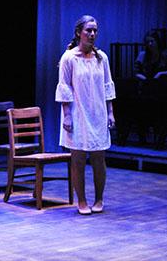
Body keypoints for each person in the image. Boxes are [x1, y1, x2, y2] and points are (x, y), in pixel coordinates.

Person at [56, 15, 116, 215]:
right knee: (78, 159)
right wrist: (66, 115)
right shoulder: (69, 57)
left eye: (95, 31)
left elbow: (108, 86)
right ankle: (81, 201)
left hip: (98, 113)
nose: (92, 34)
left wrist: (110, 113)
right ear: (78, 33)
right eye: (88, 30)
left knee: (99, 158)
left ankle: (99, 199)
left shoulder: (102, 58)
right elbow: (64, 87)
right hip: (77, 113)